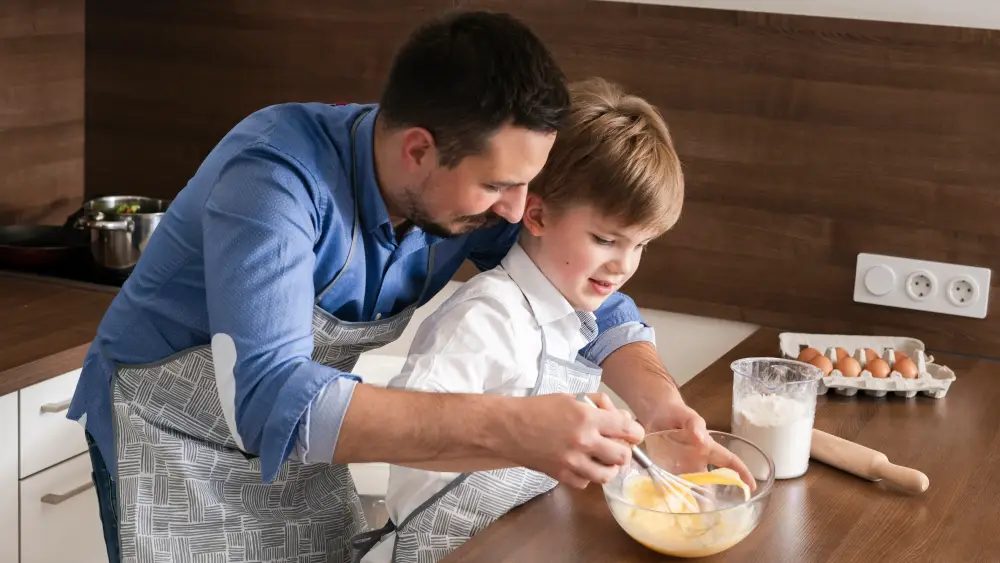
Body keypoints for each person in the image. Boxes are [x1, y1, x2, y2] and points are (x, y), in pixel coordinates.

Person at [67, 10, 712, 563]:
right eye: (497, 186)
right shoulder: (273, 179)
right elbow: (267, 402)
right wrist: (513, 428)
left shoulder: (467, 193)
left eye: (527, 184)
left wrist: (660, 408)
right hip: (168, 437)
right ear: (418, 150)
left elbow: (579, 288)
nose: (517, 211)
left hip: (304, 438)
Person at [353, 77, 752, 563]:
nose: (623, 266)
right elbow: (405, 438)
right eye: (606, 240)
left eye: (640, 245)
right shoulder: (485, 319)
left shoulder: (570, 316)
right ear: (536, 216)